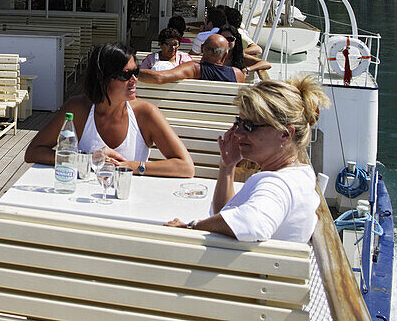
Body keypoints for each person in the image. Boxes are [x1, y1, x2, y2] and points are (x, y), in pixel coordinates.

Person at [165, 75, 330, 242]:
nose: (238, 133)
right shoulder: (300, 175)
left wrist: (192, 227)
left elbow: (252, 225)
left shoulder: (276, 185)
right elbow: (227, 216)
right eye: (239, 122)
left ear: (285, 134)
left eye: (249, 126)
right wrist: (227, 167)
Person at [25, 42, 194, 177]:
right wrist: (86, 160)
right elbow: (33, 152)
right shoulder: (79, 109)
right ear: (102, 78)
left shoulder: (146, 113)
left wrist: (131, 166)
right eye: (125, 75)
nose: (134, 79)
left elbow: (185, 166)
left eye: (136, 72)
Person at [139, 33, 246, 84]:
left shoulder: (194, 69)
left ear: (202, 48)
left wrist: (131, 72)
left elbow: (159, 77)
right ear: (225, 55)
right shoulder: (238, 74)